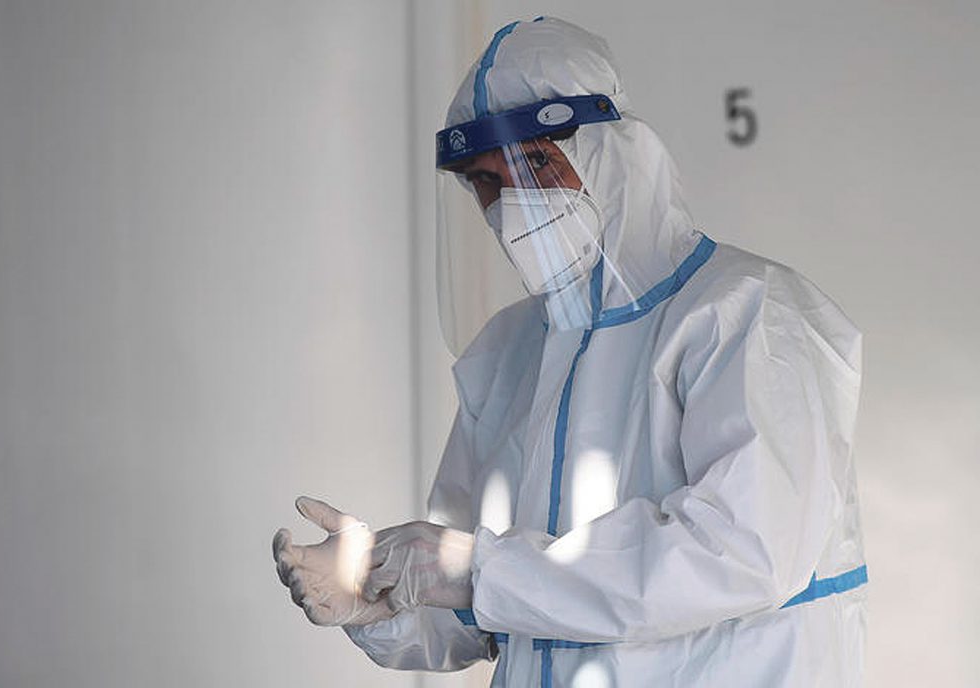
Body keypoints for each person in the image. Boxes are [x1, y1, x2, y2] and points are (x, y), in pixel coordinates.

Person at [273, 17, 867, 687]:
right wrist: (378, 598)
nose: (510, 205)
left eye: (536, 165)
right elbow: (480, 598)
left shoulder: (748, 315)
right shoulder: (510, 352)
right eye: (485, 183)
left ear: (612, 157)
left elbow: (745, 552)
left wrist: (476, 571)